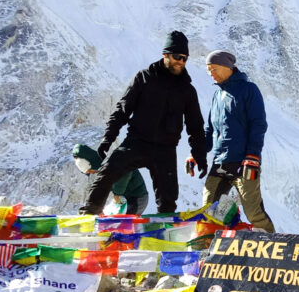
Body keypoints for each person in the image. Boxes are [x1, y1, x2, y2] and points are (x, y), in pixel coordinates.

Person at [79, 31, 207, 215]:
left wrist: (199, 154)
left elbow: (195, 126)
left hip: (165, 149)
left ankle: (166, 228)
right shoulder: (144, 78)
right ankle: (88, 216)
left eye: (185, 58)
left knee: (168, 198)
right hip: (136, 142)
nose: (181, 61)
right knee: (106, 173)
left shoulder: (187, 90)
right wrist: (108, 139)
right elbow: (122, 110)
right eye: (178, 56)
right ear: (165, 54)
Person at [197, 50, 276, 232]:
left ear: (227, 67)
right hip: (220, 162)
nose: (211, 73)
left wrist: (253, 155)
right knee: (208, 210)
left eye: (214, 68)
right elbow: (210, 130)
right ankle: (209, 251)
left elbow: (258, 124)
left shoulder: (249, 90)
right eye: (208, 69)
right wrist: (197, 154)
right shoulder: (217, 96)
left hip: (245, 162)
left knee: (253, 212)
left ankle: (275, 248)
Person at [72, 143, 148, 215]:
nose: (92, 173)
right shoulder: (101, 169)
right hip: (124, 199)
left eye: (90, 170)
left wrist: (117, 194)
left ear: (91, 164)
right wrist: (97, 208)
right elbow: (99, 190)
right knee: (108, 219)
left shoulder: (111, 161)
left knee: (117, 223)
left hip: (137, 199)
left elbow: (126, 173)